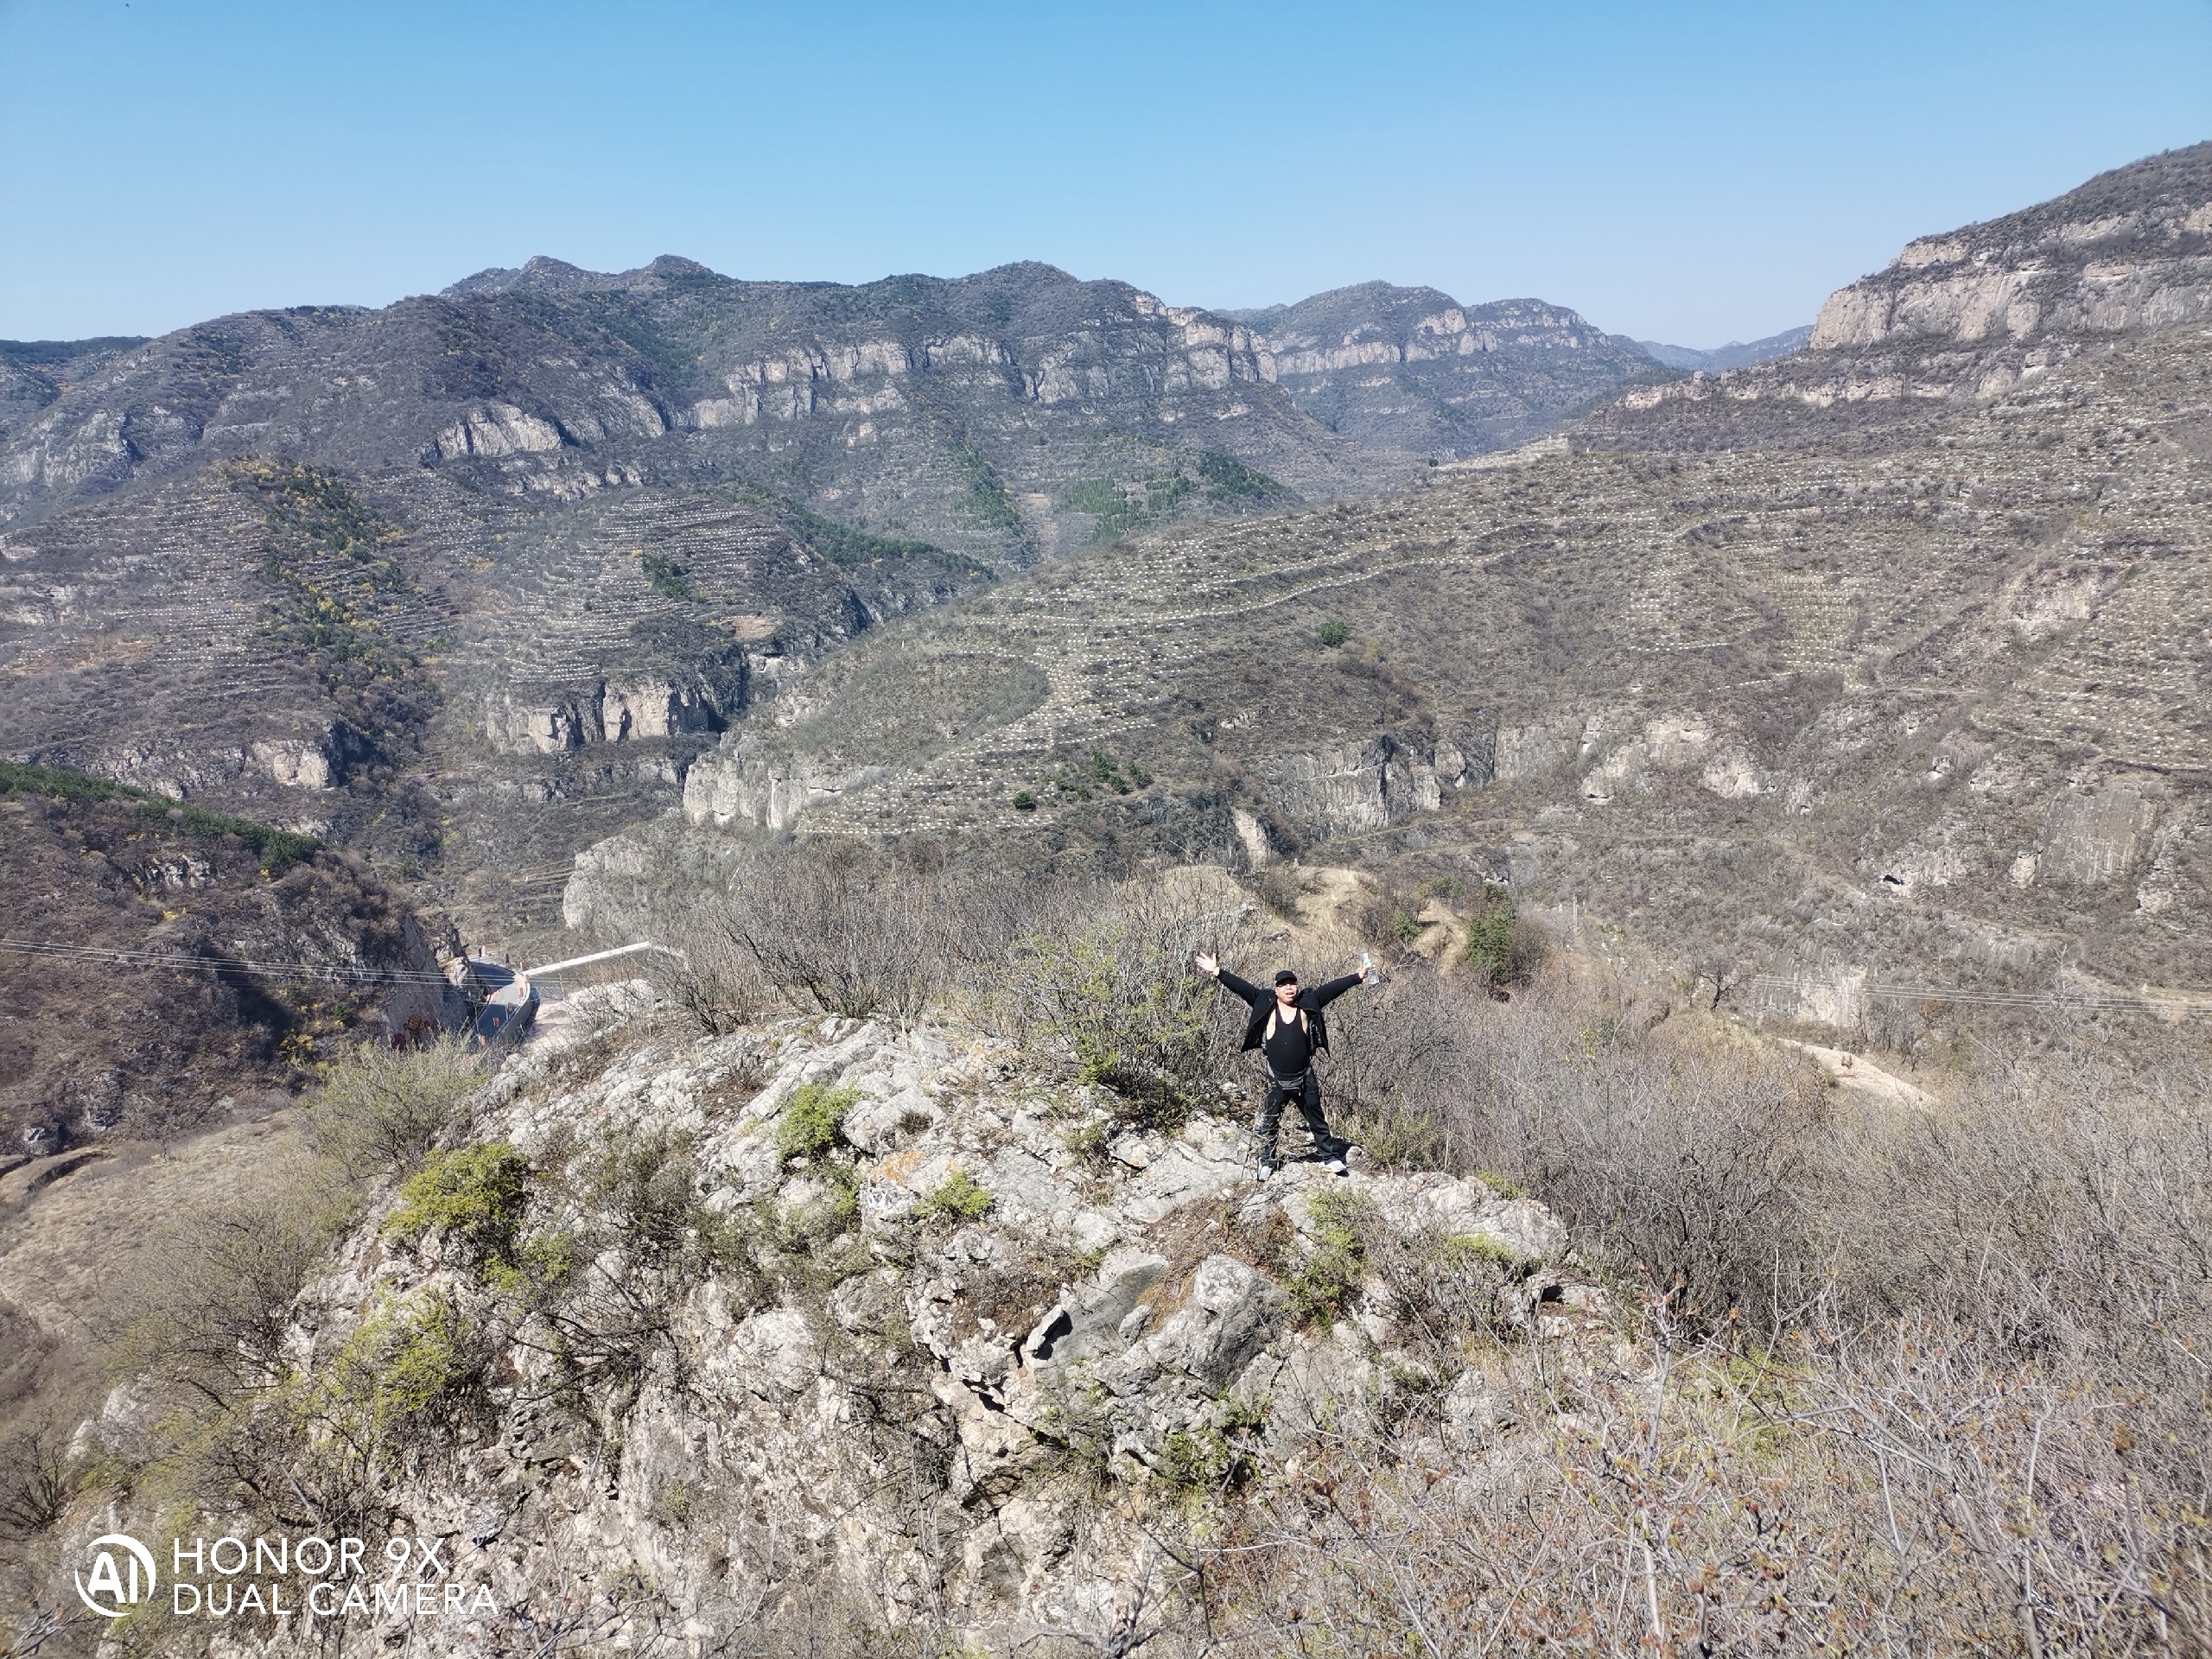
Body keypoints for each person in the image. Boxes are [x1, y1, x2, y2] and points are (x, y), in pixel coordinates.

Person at [1193, 951, 1376, 1182]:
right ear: (1276, 989)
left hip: (1304, 1077)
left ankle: (1329, 1157)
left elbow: (1333, 988)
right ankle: (1266, 1161)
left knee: (1316, 1118)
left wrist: (1359, 976)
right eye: (1283, 985)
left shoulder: (1309, 1001)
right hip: (1276, 1079)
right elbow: (1241, 987)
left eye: (1292, 984)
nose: (1289, 988)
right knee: (1270, 1120)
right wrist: (1217, 971)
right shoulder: (1264, 1002)